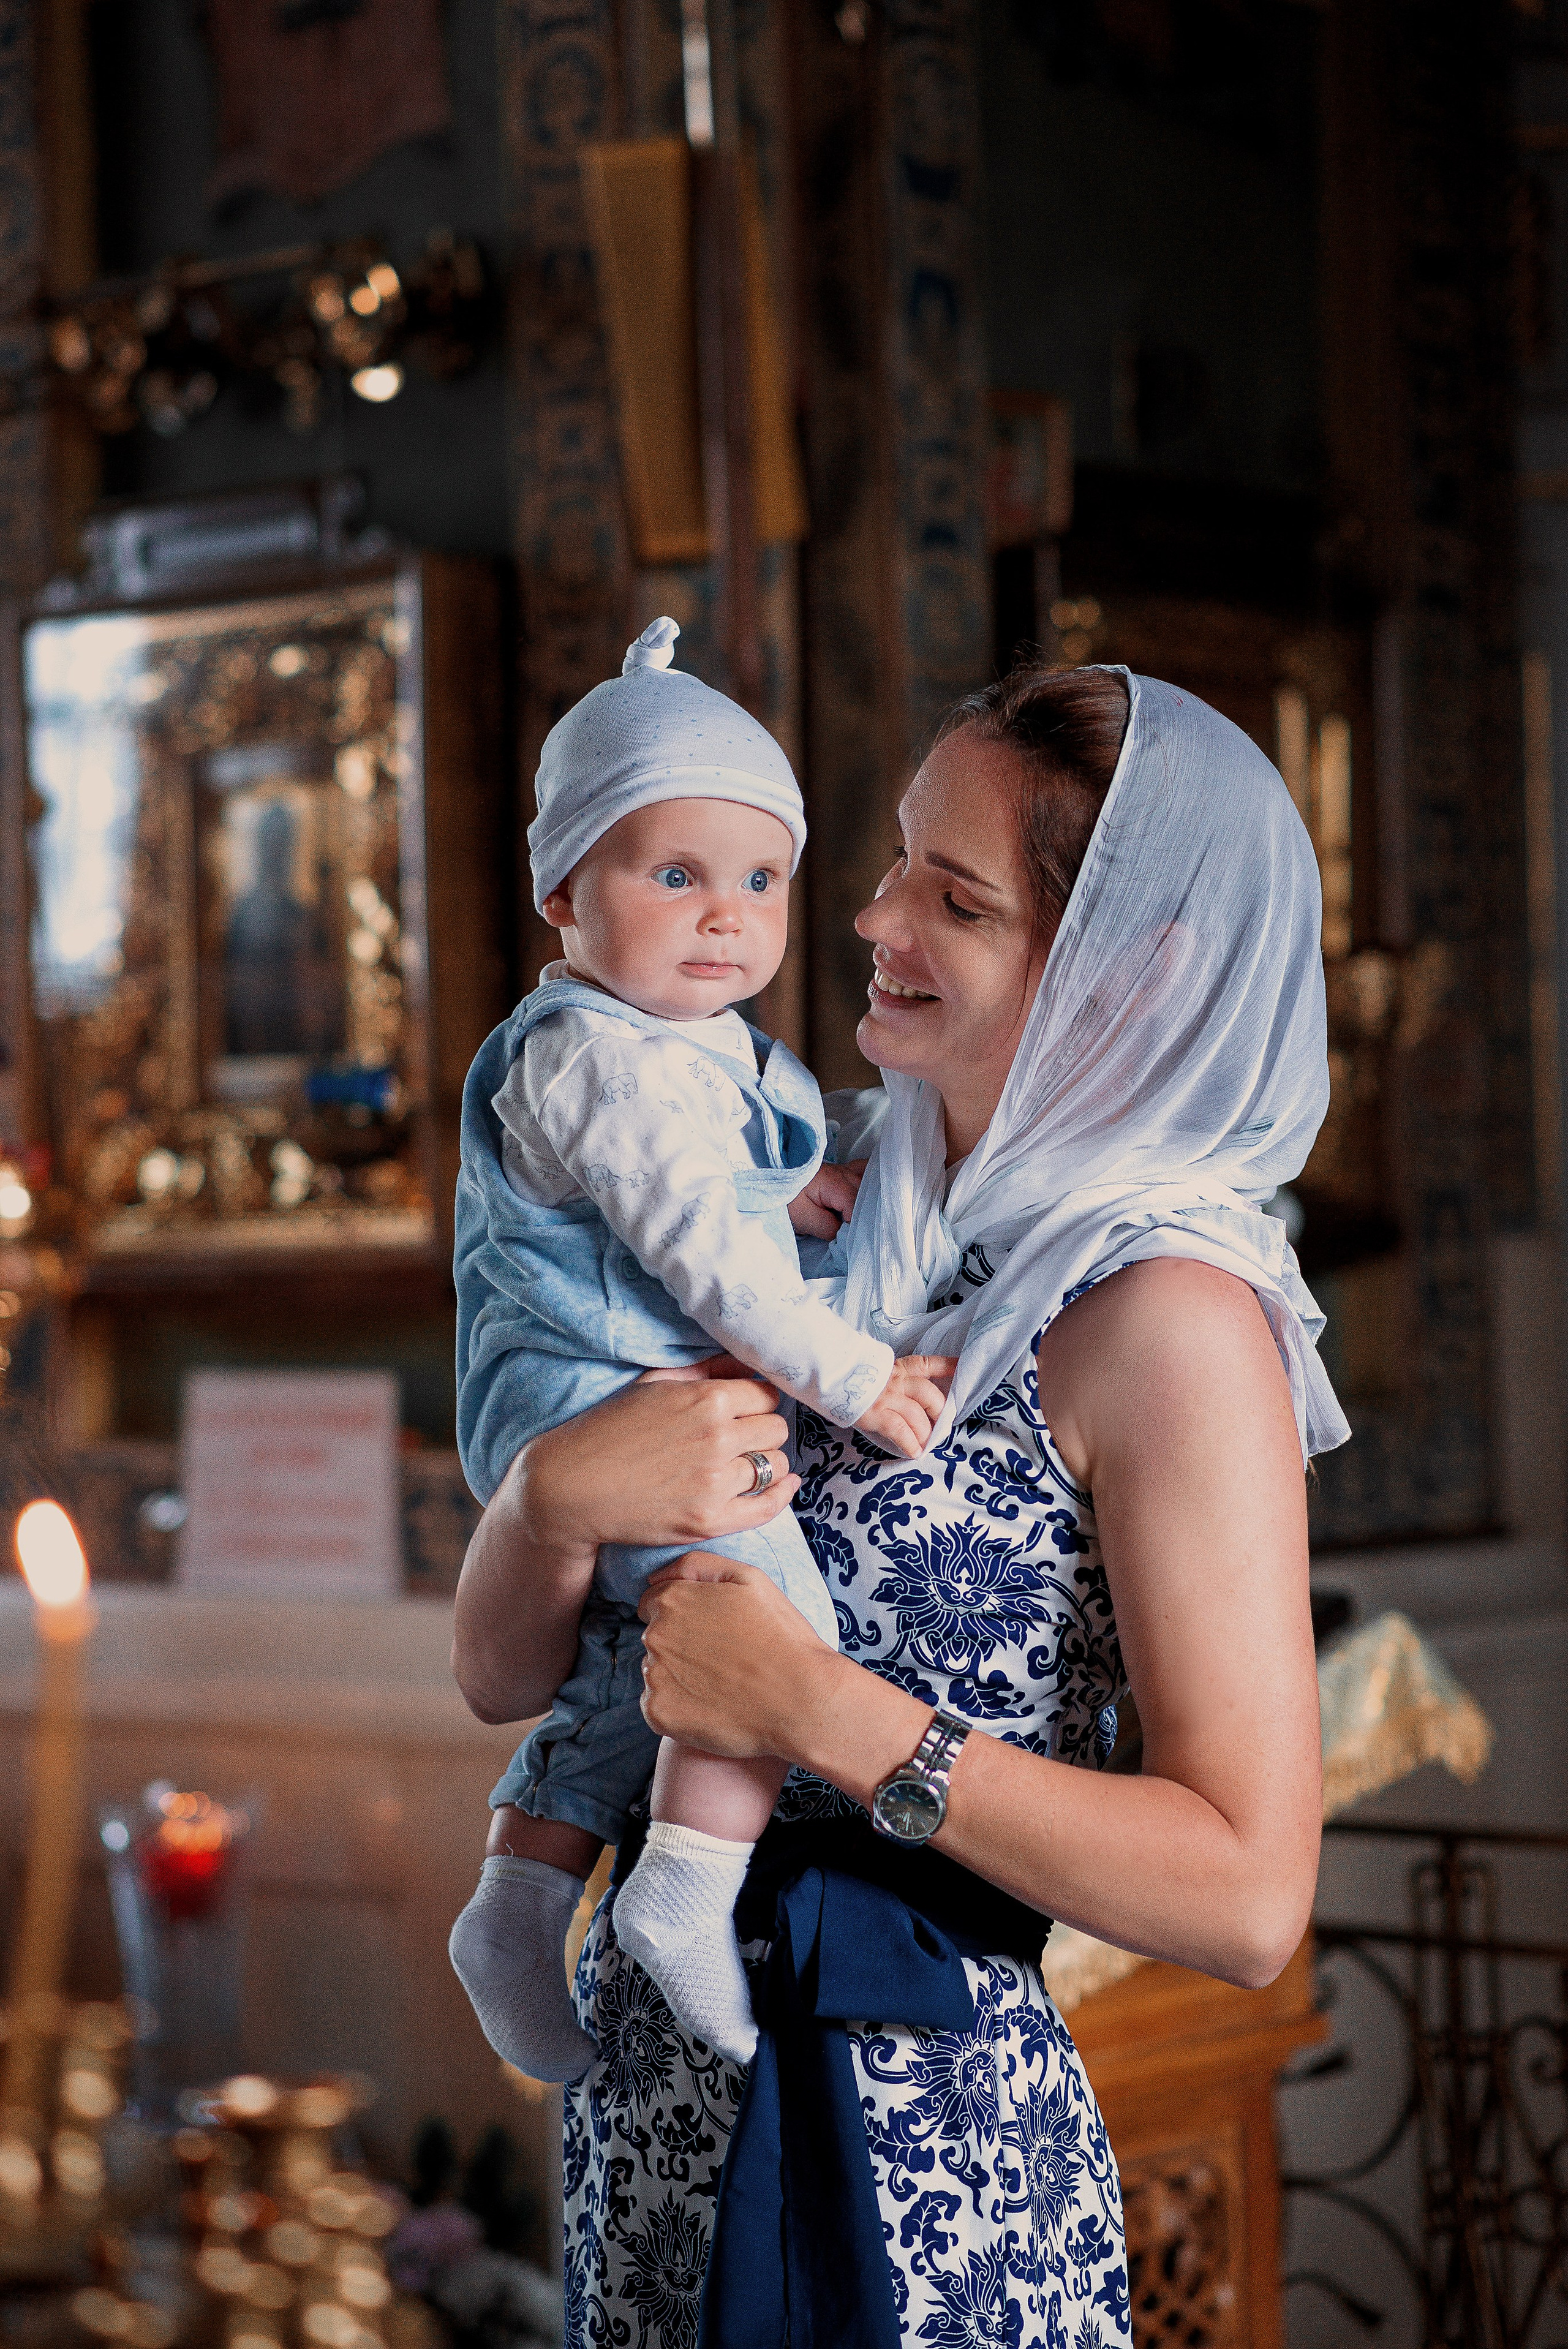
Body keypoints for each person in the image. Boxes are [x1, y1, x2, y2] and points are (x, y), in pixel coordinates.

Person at [451, 662, 1348, 2346]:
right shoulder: (791, 1190)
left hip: (922, 2145)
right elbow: (509, 1680)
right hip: (656, 2110)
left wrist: (819, 1711)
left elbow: (1244, 1895)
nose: (869, 916)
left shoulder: (1167, 1315)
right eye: (887, 864)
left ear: (1125, 969)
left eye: (957, 893)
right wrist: (555, 1498)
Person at [448, 617, 949, 2086]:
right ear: (561, 892)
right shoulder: (595, 1052)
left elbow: (709, 1174)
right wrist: (855, 1377)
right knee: (760, 1621)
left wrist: (786, 1182)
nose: (724, 916)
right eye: (673, 875)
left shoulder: (685, 1037)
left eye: (759, 878)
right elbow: (707, 1259)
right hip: (589, 1390)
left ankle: (521, 1892)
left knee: (636, 1660)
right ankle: (679, 1879)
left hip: (625, 1387)